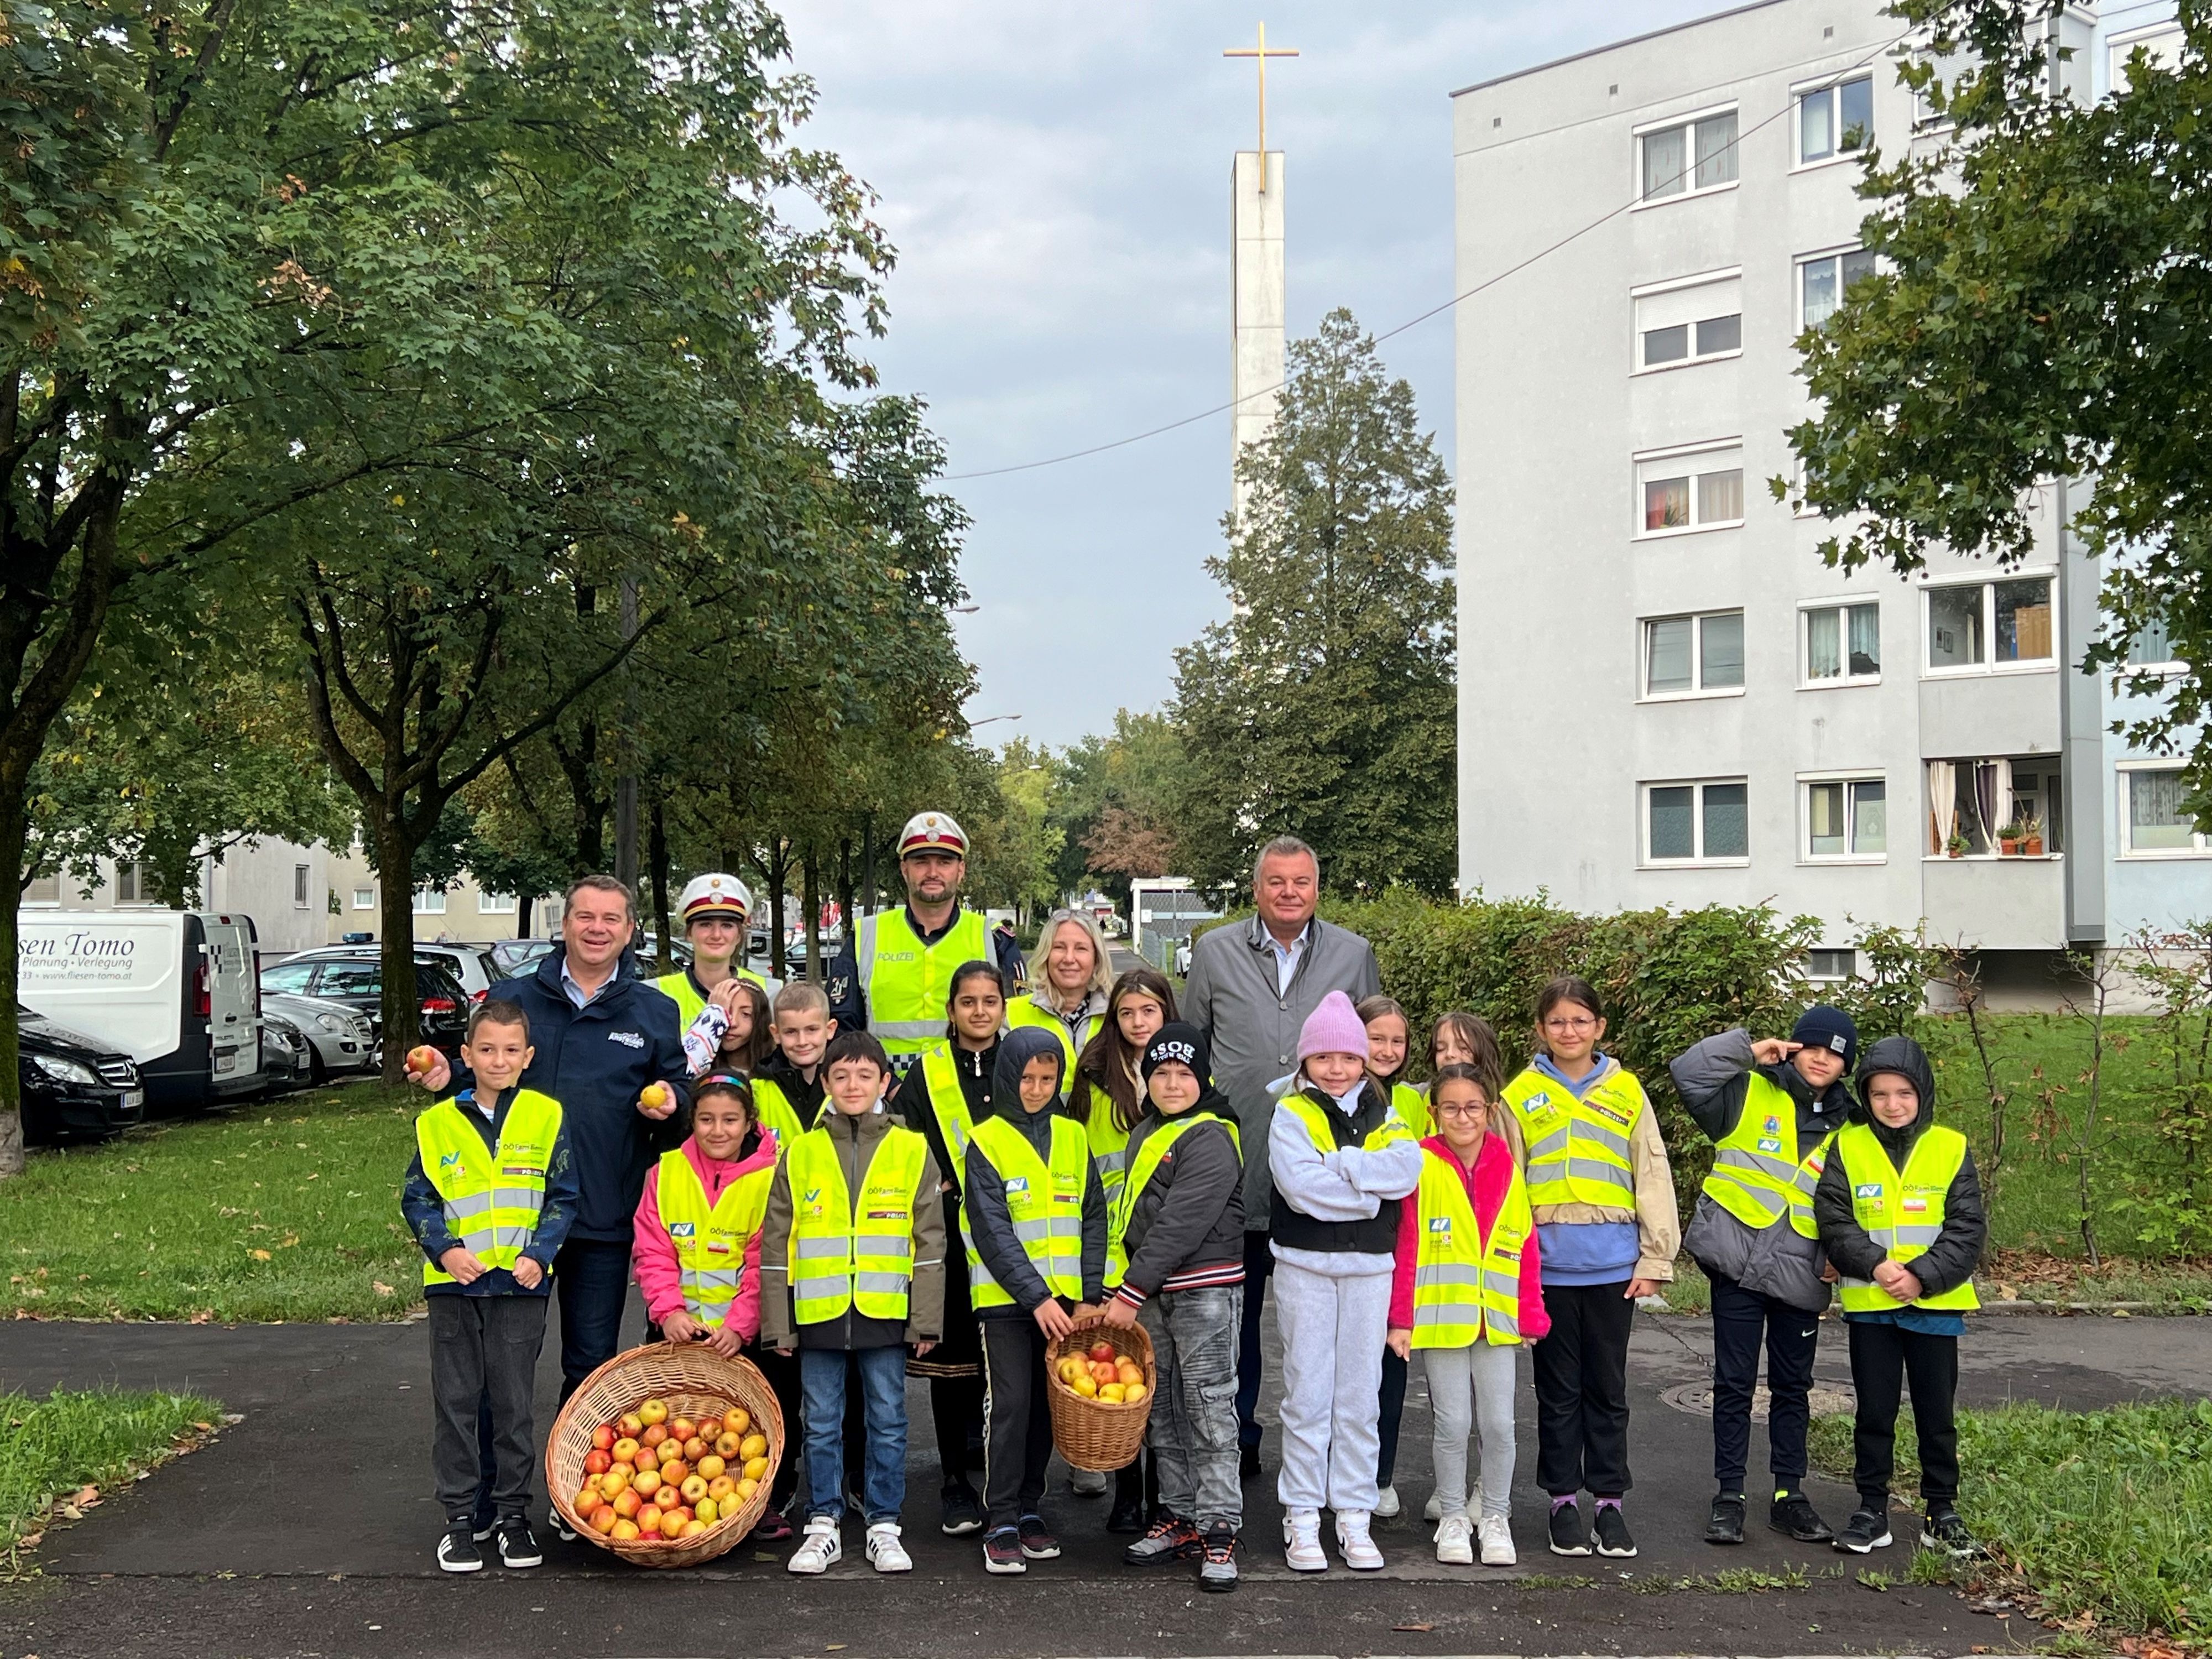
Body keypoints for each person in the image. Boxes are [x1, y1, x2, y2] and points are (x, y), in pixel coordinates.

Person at [410, 875, 688, 1543]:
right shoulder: (513, 998)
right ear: (565, 924)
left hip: (599, 1214)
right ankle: (481, 1503)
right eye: (585, 917)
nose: (598, 928)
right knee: (493, 1376)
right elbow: (477, 1071)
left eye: (612, 919)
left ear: (628, 932)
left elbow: (676, 1091)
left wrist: (671, 1099)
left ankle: (575, 1498)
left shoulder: (652, 1011)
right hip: (512, 1230)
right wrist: (441, 1074)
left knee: (588, 1367)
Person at [1183, 835, 1381, 1475]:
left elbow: (1372, 1054)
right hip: (1233, 1171)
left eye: (1301, 882)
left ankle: (1322, 1455)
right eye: (1276, 882)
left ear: (1317, 888)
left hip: (1323, 1178)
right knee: (1232, 1325)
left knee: (1317, 1331)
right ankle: (1235, 1439)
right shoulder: (1213, 951)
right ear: (1256, 888)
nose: (1289, 892)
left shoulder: (1354, 955)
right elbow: (1194, 1053)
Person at [1499, 977, 1678, 1561]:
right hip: (1547, 1271)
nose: (1568, 1031)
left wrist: (1655, 1257)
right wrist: (1512, 1271)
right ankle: (1561, 1503)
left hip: (1612, 1270)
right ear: (1539, 1030)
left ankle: (1608, 1501)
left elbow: (1651, 1176)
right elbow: (1507, 1189)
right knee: (1556, 1394)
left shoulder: (1627, 1091)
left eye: (1580, 1021)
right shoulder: (1519, 1094)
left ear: (1599, 1027)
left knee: (1608, 1390)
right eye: (1557, 1022)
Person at [1670, 1006, 1860, 1548]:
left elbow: (1858, 1206)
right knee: (1732, 1385)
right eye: (1812, 1046)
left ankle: (1788, 1497)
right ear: (1795, 1049)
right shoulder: (1748, 1092)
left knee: (1791, 1389)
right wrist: (1750, 1050)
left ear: (1846, 1065)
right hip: (1736, 1265)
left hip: (1800, 1274)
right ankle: (1728, 1497)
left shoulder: (1852, 1129)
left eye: (1836, 1051)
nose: (1822, 1057)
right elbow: (1688, 1071)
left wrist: (1841, 1255)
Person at [761, 1030, 946, 1575]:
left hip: (884, 1312)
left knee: (888, 1419)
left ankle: (884, 1524)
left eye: (866, 1075)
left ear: (885, 1082)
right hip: (816, 1315)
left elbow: (930, 1241)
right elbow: (778, 1243)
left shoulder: (912, 1149)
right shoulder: (801, 1152)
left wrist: (926, 1318)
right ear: (824, 1081)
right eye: (840, 1075)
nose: (852, 1085)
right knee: (820, 1421)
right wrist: (780, 1325)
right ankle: (824, 1524)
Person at [400, 999, 576, 1573]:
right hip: (455, 1289)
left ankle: (511, 1517)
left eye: (510, 1051)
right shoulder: (437, 1123)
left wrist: (539, 1255)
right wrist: (446, 1251)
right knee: (455, 1404)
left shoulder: (547, 1116)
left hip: (519, 1288)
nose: (498, 1060)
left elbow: (562, 1195)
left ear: (526, 1058)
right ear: (467, 1055)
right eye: (486, 1049)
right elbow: (418, 1197)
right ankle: (458, 1521)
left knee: (512, 1405)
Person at [1815, 1036, 1986, 1559]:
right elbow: (1835, 1219)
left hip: (1934, 1305)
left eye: (1904, 1093)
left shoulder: (1951, 1146)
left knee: (1937, 1415)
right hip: (1872, 1304)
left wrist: (1921, 1277)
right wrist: (1875, 1265)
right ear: (1866, 1098)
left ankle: (1942, 1511)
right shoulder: (1847, 1145)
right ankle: (1872, 1509)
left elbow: (1966, 1228)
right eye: (1880, 1094)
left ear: (1923, 1093)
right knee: (1874, 1412)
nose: (1892, 1104)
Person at [1268, 990, 1421, 1574]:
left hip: (1369, 1270)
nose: (1337, 1069)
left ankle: (1353, 1516)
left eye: (1348, 1058)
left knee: (1358, 1400)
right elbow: (1300, 1190)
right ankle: (1302, 1516)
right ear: (1305, 1061)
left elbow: (1405, 1172)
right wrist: (1367, 1190)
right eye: (1324, 1058)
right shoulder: (1293, 1112)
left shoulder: (1387, 1111)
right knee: (1307, 1396)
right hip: (1304, 1266)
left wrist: (1341, 1166)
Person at [1104, 1024, 1246, 1593]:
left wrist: (1128, 1292)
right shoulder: (1146, 1132)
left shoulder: (1211, 1135)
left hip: (1202, 1291)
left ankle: (1219, 1524)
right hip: (1153, 1293)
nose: (1171, 1082)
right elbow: (1133, 1219)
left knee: (1209, 1407)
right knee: (1161, 1407)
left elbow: (1178, 1223)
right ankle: (1180, 1513)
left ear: (1203, 1078)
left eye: (1184, 1073)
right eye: (1159, 1072)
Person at [963, 1027, 1110, 1575]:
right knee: (1011, 1407)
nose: (1037, 1088)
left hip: (1067, 1306)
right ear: (1007, 1076)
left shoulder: (1073, 1136)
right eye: (1026, 1077)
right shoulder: (986, 1140)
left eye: (1048, 1079)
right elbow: (992, 1231)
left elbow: (1092, 1216)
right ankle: (999, 1515)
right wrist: (1036, 1297)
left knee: (1048, 1411)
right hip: (1008, 1305)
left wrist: (1089, 1295)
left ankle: (1029, 1507)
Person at [1387, 1063, 1546, 1569]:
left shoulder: (1506, 1163)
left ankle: (1495, 1516)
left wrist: (1531, 1313)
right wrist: (1401, 1319)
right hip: (1441, 1321)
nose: (1463, 1116)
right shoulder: (1420, 1162)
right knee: (1452, 1424)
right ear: (1433, 1113)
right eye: (1450, 1107)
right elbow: (1407, 1244)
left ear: (1490, 1111)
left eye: (1473, 1106)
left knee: (1500, 1425)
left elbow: (1524, 1242)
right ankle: (1454, 1515)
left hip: (1497, 1321)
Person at [629, 1073, 797, 1538]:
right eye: (706, 1119)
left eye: (730, 1120)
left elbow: (769, 1259)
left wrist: (742, 1326)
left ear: (750, 1123)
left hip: (749, 1335)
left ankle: (766, 1502)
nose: (717, 1130)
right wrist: (669, 1313)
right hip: (679, 1331)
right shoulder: (665, 1173)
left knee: (766, 1422)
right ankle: (687, 1514)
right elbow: (654, 1250)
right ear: (692, 1121)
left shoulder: (772, 1177)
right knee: (680, 1427)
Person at [888, 959, 1005, 1537]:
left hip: (1011, 1237)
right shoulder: (926, 1073)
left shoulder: (1022, 1063)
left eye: (990, 1000)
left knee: (1001, 1364)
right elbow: (905, 1144)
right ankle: (954, 1480)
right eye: (968, 1001)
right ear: (951, 1010)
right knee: (950, 1364)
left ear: (1004, 1005)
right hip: (948, 1238)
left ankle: (996, 1479)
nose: (979, 1011)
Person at [1066, 966, 1177, 1523]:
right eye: (1127, 1012)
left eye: (1149, 1011)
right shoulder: (1091, 1077)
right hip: (1110, 1245)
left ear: (1166, 1014)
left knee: (1157, 1377)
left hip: (1165, 1245)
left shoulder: (1183, 1073)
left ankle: (1162, 1496)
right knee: (1119, 1375)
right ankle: (1127, 1495)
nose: (1138, 1022)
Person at [827, 811, 1024, 1072]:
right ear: (904, 869)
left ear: (961, 870)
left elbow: (1018, 1029)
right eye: (921, 862)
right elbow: (842, 1032)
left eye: (944, 862)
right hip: (886, 1101)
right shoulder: (865, 937)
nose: (933, 872)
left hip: (971, 1099)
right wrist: (886, 1086)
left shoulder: (996, 941)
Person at [1357, 993, 1426, 1521]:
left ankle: (1380, 1474)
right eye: (1376, 1037)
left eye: (1396, 1040)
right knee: (1345, 1374)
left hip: (1400, 1249)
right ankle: (1344, 1471)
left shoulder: (1416, 1103)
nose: (1386, 1048)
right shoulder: (1336, 1095)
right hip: (1347, 1252)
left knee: (1391, 1368)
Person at [654, 873, 773, 1077]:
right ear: (689, 933)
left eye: (727, 925)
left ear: (739, 935)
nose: (716, 935)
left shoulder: (771, 992)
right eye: (705, 924)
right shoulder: (655, 993)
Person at [1006, 909, 1114, 1075]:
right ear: (1046, 954)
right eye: (1059, 947)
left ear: (1097, 958)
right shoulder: (1009, 1014)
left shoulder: (1119, 1014)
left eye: (1081, 948)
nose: (1069, 959)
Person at [752, 980, 836, 1147]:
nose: (802, 1042)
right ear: (776, 1034)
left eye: (812, 1030)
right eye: (791, 1032)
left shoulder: (849, 1085)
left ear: (830, 1029)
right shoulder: (757, 1092)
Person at [712, 978, 776, 1080]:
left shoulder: (778, 1071)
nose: (732, 1023)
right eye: (726, 1011)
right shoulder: (698, 1071)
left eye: (746, 1014)